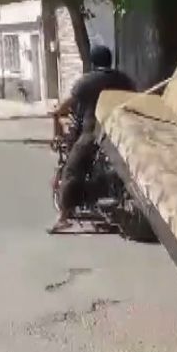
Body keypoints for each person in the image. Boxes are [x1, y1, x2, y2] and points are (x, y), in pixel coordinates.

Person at [48, 45, 135, 233]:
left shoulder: (87, 81)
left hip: (95, 132)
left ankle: (63, 217)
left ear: (93, 61)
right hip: (125, 132)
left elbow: (66, 105)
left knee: (72, 169)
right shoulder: (124, 80)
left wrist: (56, 113)